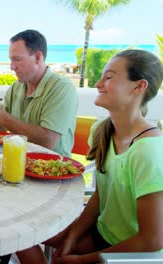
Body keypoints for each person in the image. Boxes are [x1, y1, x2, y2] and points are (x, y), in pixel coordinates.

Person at [16, 49, 163, 263]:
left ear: (138, 86)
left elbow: (152, 240)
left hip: (132, 255)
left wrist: (81, 260)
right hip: (102, 234)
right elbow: (100, 196)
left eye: (109, 77)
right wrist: (70, 242)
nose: (98, 83)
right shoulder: (102, 131)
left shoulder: (147, 151)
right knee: (21, 234)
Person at [0, 29, 78, 157]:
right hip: (18, 162)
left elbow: (47, 141)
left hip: (51, 168)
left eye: (17, 59)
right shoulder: (17, 87)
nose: (12, 67)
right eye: (11, 60)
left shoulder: (61, 88)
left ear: (38, 57)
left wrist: (1, 116)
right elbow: (1, 125)